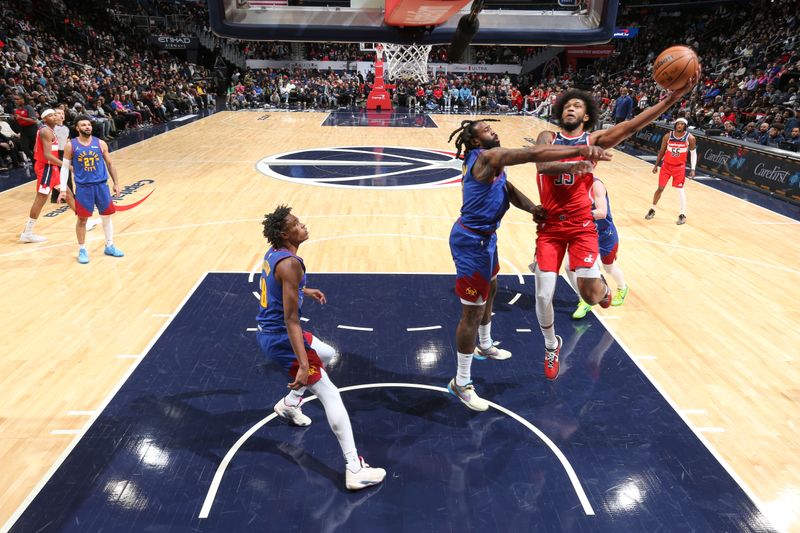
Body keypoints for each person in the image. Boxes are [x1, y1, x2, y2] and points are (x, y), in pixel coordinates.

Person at [534, 72, 697, 380]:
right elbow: (543, 164)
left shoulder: (595, 140)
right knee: (544, 295)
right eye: (567, 104)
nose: (571, 108)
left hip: (582, 226)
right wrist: (580, 160)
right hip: (551, 228)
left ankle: (604, 289)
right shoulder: (548, 137)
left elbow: (633, 125)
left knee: (592, 295)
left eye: (578, 105)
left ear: (587, 115)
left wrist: (670, 100)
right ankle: (551, 345)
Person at [446, 119, 610, 410]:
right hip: (471, 244)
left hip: (487, 239)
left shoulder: (492, 162)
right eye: (485, 130)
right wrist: (584, 151)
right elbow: (535, 156)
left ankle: (485, 344)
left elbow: (506, 188)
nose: (493, 131)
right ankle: (461, 382)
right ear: (474, 142)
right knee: (470, 313)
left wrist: (532, 207)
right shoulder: (488, 157)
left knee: (492, 288)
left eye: (491, 127)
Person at [256, 205, 386, 490]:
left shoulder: (277, 255)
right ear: (282, 233)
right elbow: (291, 319)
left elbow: (279, 287)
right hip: (283, 337)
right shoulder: (291, 264)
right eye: (295, 223)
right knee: (330, 393)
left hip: (273, 332)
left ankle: (290, 404)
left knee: (328, 354)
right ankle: (355, 468)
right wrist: (303, 365)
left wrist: (303, 290)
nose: (302, 225)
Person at [59, 115, 124, 263]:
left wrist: (116, 183)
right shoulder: (71, 145)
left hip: (102, 185)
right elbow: (64, 168)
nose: (87, 127)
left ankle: (109, 245)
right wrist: (63, 188)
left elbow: (110, 163)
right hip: (83, 188)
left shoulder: (100, 143)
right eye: (83, 125)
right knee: (82, 220)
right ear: (77, 128)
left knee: (106, 217)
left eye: (89, 124)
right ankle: (82, 249)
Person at [568, 178, 628, 319]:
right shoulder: (571, 185)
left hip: (605, 235)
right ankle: (583, 298)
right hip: (585, 235)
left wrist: (578, 215)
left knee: (609, 268)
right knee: (570, 266)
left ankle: (622, 288)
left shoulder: (596, 185)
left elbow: (602, 212)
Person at [20, 109, 61, 243]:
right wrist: (66, 164)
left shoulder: (49, 130)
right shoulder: (45, 131)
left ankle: (84, 220)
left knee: (67, 193)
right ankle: (28, 232)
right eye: (51, 115)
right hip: (47, 168)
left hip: (51, 166)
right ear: (44, 119)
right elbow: (48, 155)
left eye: (55, 114)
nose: (55, 117)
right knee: (41, 199)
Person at [646, 117, 697, 225]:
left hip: (679, 167)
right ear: (675, 125)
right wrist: (656, 165)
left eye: (682, 124)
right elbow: (662, 151)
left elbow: (693, 154)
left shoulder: (690, 138)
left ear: (685, 126)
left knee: (680, 189)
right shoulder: (668, 136)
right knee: (660, 188)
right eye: (678, 124)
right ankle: (652, 209)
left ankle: (682, 214)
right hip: (666, 166)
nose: (679, 125)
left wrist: (693, 168)